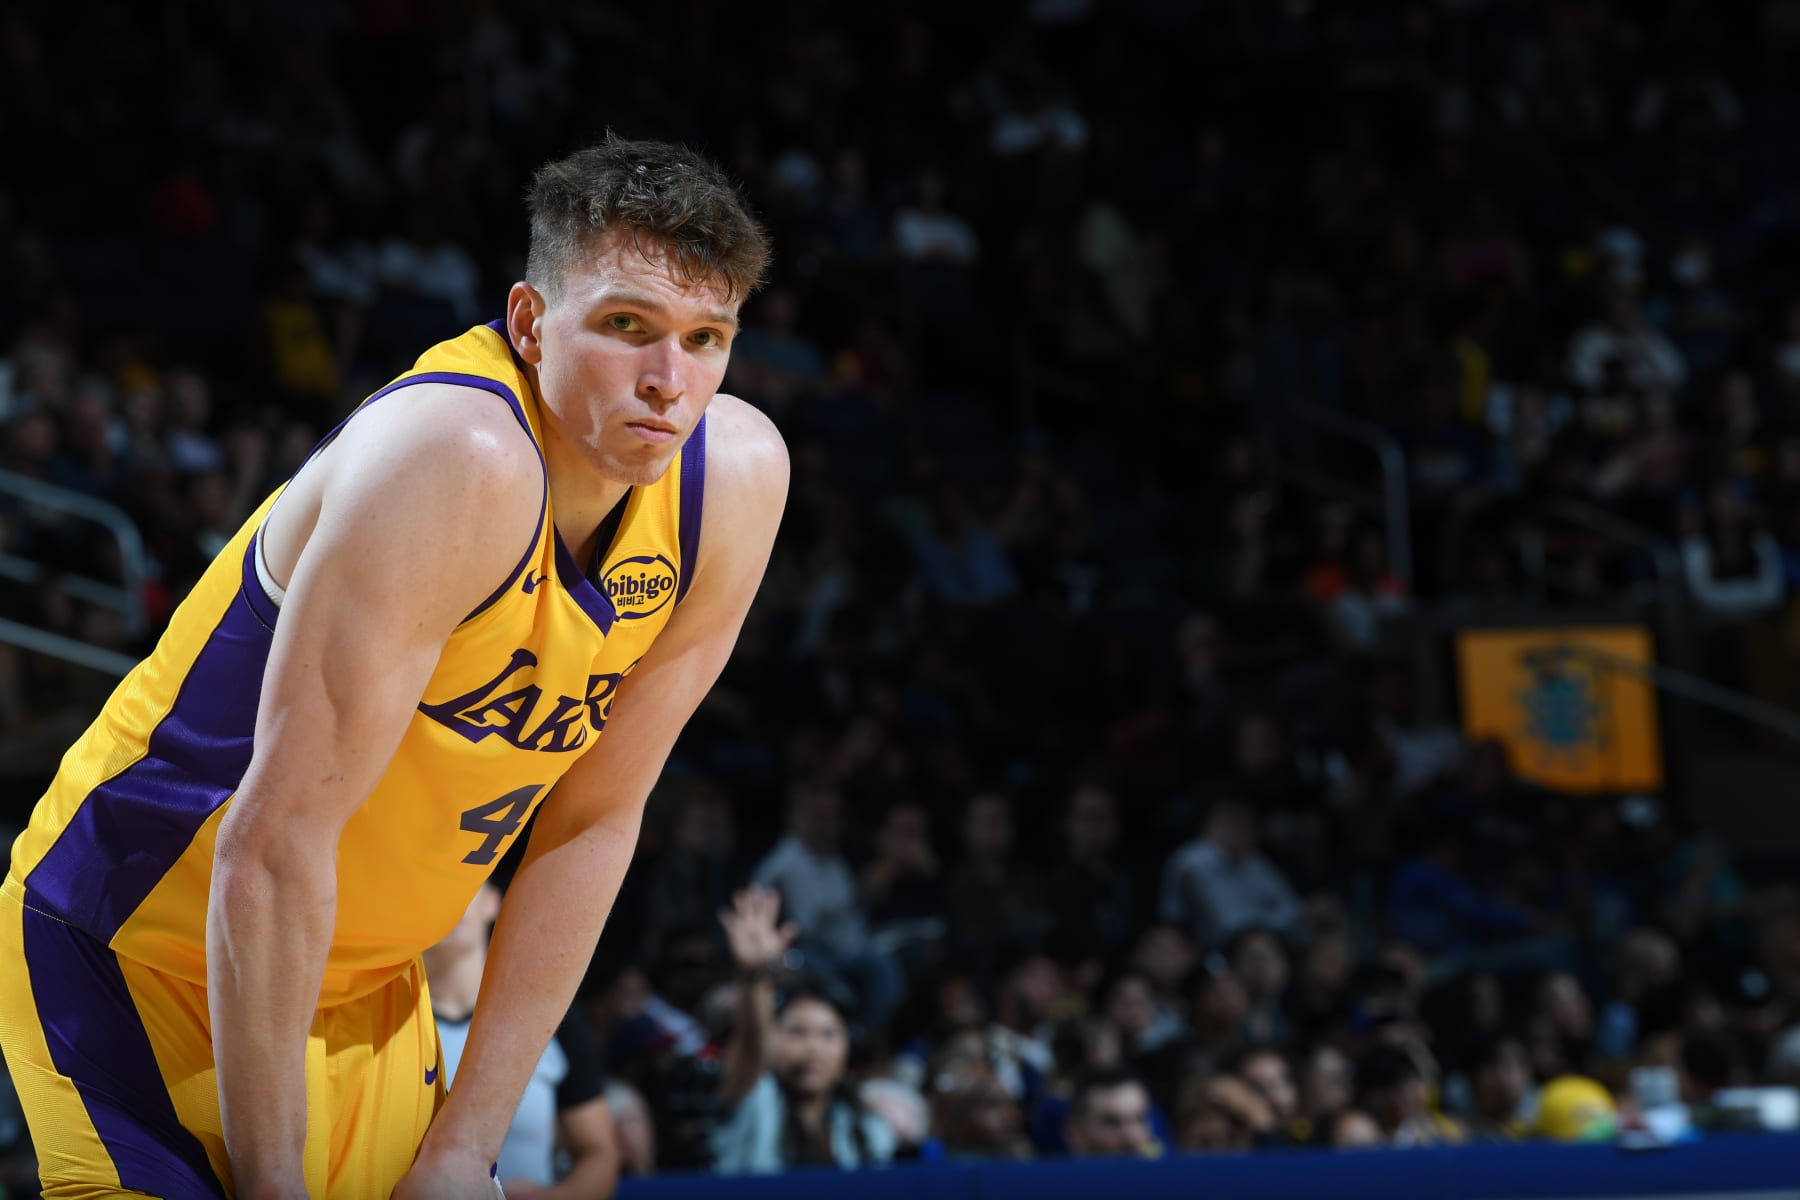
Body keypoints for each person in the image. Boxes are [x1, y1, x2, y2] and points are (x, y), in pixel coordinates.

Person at [0, 133, 785, 1200]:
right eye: (627, 328)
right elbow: (270, 846)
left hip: (367, 983)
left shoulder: (732, 484)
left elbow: (597, 817)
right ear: (527, 321)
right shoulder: (457, 456)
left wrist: (467, 1146)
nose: (668, 381)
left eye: (707, 338)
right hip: (142, 945)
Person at [425, 883, 620, 1198]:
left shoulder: (551, 1017)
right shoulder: (379, 1022)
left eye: (469, 883)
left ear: (493, 902)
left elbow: (600, 1155)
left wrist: (555, 1197)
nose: (453, 896)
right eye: (435, 886)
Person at [711, 886, 896, 1173]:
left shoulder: (870, 1128)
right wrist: (755, 976)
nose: (813, 1047)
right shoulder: (757, 1100)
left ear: (849, 1045)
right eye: (797, 1032)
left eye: (828, 1034)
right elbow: (753, 1048)